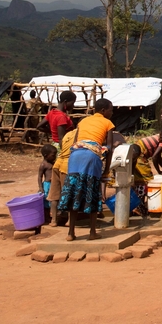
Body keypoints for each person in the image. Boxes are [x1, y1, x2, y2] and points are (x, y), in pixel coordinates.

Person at [58, 98, 116, 241]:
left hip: (75, 156)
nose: (112, 112)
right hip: (91, 158)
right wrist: (106, 170)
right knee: (92, 192)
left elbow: (76, 141)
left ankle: (71, 233)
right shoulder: (108, 123)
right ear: (103, 111)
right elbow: (109, 148)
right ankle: (92, 232)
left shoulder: (83, 121)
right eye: (111, 110)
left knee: (74, 191)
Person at [126, 133, 162, 218]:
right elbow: (155, 157)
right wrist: (160, 171)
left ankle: (137, 206)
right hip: (139, 151)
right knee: (145, 179)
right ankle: (138, 207)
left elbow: (158, 156)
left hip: (138, 149)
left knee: (141, 180)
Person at [47, 128, 76, 227]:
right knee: (68, 193)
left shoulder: (68, 134)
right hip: (67, 165)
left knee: (55, 194)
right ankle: (69, 221)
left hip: (58, 163)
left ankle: (54, 220)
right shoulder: (82, 134)